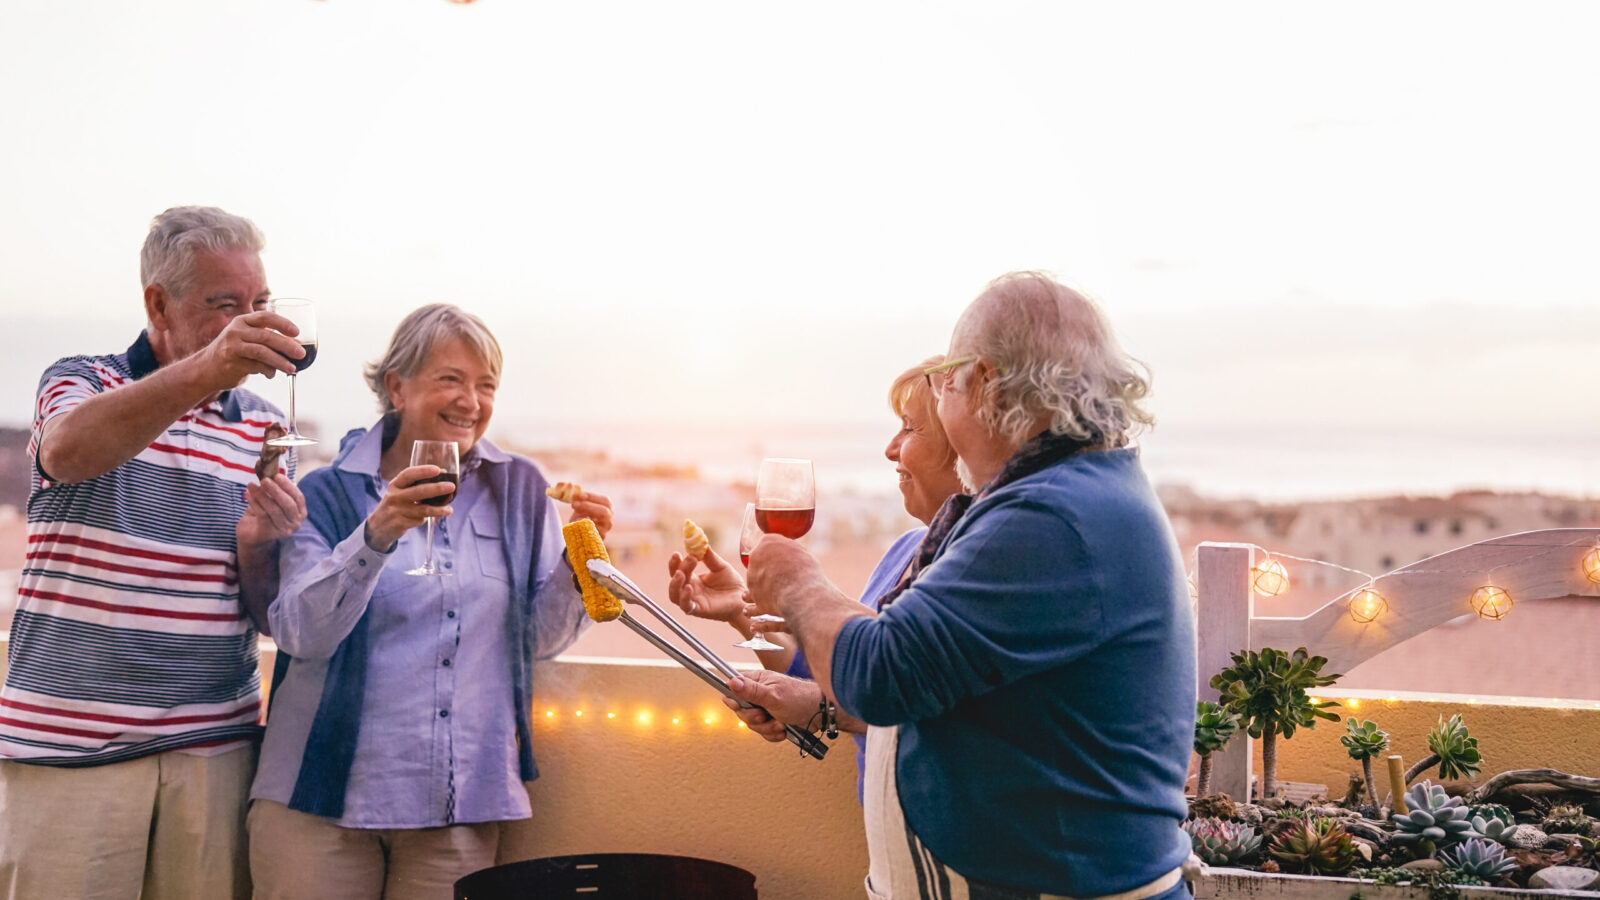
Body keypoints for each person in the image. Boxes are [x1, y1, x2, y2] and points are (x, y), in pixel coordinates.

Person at [743, 271, 1197, 900]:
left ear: (984, 380)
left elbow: (882, 674)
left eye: (945, 381)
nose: (943, 395)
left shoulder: (1052, 516)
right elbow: (942, 690)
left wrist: (797, 583)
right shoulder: (1064, 495)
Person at [248, 303, 614, 900]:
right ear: (396, 387)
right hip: (319, 806)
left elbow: (535, 642)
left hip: (458, 807)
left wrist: (582, 563)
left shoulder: (519, 489)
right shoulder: (326, 491)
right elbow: (300, 635)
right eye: (450, 379)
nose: (471, 400)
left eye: (486, 384)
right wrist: (378, 532)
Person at [0, 206, 307, 900]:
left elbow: (264, 613)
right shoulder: (80, 381)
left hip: (214, 749)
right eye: (224, 305)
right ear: (157, 304)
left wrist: (261, 548)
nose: (248, 322)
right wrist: (206, 369)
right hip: (72, 751)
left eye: (257, 304)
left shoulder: (266, 426)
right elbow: (69, 451)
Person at [666, 355, 964, 794]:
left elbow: (940, 706)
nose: (889, 449)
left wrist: (821, 709)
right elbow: (834, 674)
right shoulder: (904, 552)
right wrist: (743, 611)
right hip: (885, 833)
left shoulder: (979, 572)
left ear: (962, 446)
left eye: (909, 428)